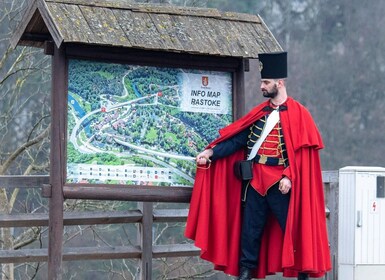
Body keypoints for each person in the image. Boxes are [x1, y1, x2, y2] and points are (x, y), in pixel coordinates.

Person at [185, 52, 331, 280]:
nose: (261, 86)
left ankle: (303, 275)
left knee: (292, 229)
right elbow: (236, 140)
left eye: (265, 82)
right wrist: (211, 152)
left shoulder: (300, 114)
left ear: (279, 83)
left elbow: (302, 155)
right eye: (262, 82)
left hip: (281, 182)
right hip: (255, 181)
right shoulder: (259, 114)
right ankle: (245, 274)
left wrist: (289, 176)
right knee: (250, 232)